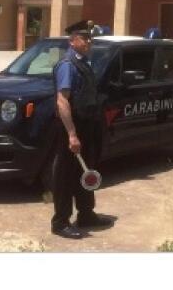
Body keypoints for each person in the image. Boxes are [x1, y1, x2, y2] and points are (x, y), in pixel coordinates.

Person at [50, 20, 113, 239]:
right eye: (85, 38)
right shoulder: (67, 65)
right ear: (72, 41)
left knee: (86, 171)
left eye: (90, 38)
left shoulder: (84, 62)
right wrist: (72, 134)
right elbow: (62, 101)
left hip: (87, 126)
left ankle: (86, 214)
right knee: (65, 175)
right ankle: (60, 222)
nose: (89, 42)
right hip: (73, 127)